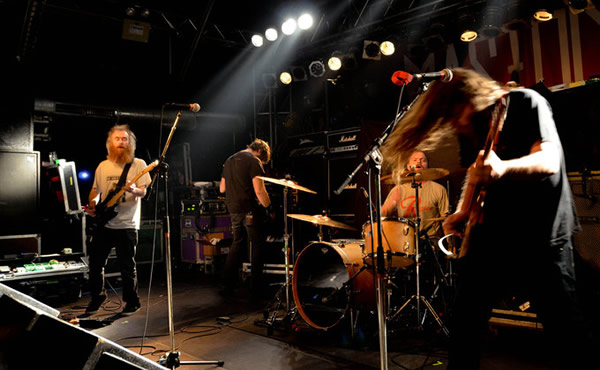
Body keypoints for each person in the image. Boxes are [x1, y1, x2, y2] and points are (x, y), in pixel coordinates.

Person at [381, 68, 586, 369]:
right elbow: (478, 169)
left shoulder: (526, 102)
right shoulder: (473, 124)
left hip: (542, 233)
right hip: (496, 232)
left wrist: (504, 168)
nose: (455, 123)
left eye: (455, 113)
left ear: (472, 96)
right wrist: (463, 210)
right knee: (464, 322)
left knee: (565, 332)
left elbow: (550, 159)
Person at [85, 124, 152, 315]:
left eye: (125, 139)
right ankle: (97, 296)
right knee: (96, 264)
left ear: (130, 143)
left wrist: (134, 190)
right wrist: (92, 204)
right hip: (104, 223)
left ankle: (132, 301)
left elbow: (143, 191)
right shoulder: (103, 166)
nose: (121, 142)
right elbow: (95, 190)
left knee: (127, 266)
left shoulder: (138, 164)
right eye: (117, 139)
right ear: (110, 143)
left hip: (127, 223)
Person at [219, 139, 273, 300]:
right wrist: (269, 208)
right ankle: (256, 287)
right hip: (249, 209)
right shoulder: (254, 161)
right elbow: (259, 191)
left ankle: (227, 285)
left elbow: (222, 188)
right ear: (260, 152)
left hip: (233, 208)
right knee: (257, 244)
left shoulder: (229, 160)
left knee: (237, 243)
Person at [381, 150, 449, 241]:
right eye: (415, 160)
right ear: (408, 166)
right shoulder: (398, 190)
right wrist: (391, 204)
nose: (419, 162)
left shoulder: (439, 189)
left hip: (431, 240)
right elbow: (382, 214)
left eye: (423, 160)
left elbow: (445, 219)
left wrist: (450, 245)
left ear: (427, 165)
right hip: (406, 240)